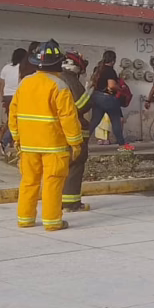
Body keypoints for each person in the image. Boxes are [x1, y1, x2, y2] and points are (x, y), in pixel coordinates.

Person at [9, 41, 83, 232]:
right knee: (52, 182)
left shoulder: (24, 83)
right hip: (53, 146)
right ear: (58, 63)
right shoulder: (59, 86)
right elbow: (68, 118)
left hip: (28, 145)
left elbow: (13, 114)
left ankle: (25, 219)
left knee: (28, 181)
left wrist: (17, 139)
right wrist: (76, 143)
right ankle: (52, 221)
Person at [60, 50, 93, 212]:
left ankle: (57, 200)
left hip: (56, 130)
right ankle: (71, 203)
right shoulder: (70, 79)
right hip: (73, 129)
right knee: (76, 164)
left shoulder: (54, 78)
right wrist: (89, 93)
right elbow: (83, 105)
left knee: (60, 168)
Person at [88, 50, 127, 146]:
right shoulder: (110, 70)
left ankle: (81, 142)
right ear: (113, 60)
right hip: (108, 99)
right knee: (116, 121)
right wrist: (120, 88)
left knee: (94, 121)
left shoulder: (97, 69)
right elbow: (111, 85)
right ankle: (122, 145)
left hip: (96, 97)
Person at [0, 48, 27, 156]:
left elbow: (1, 84)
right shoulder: (22, 68)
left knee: (12, 120)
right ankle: (4, 142)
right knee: (17, 122)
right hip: (17, 97)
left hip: (7, 97)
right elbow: (21, 83)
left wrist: (2, 97)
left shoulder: (6, 68)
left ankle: (10, 142)